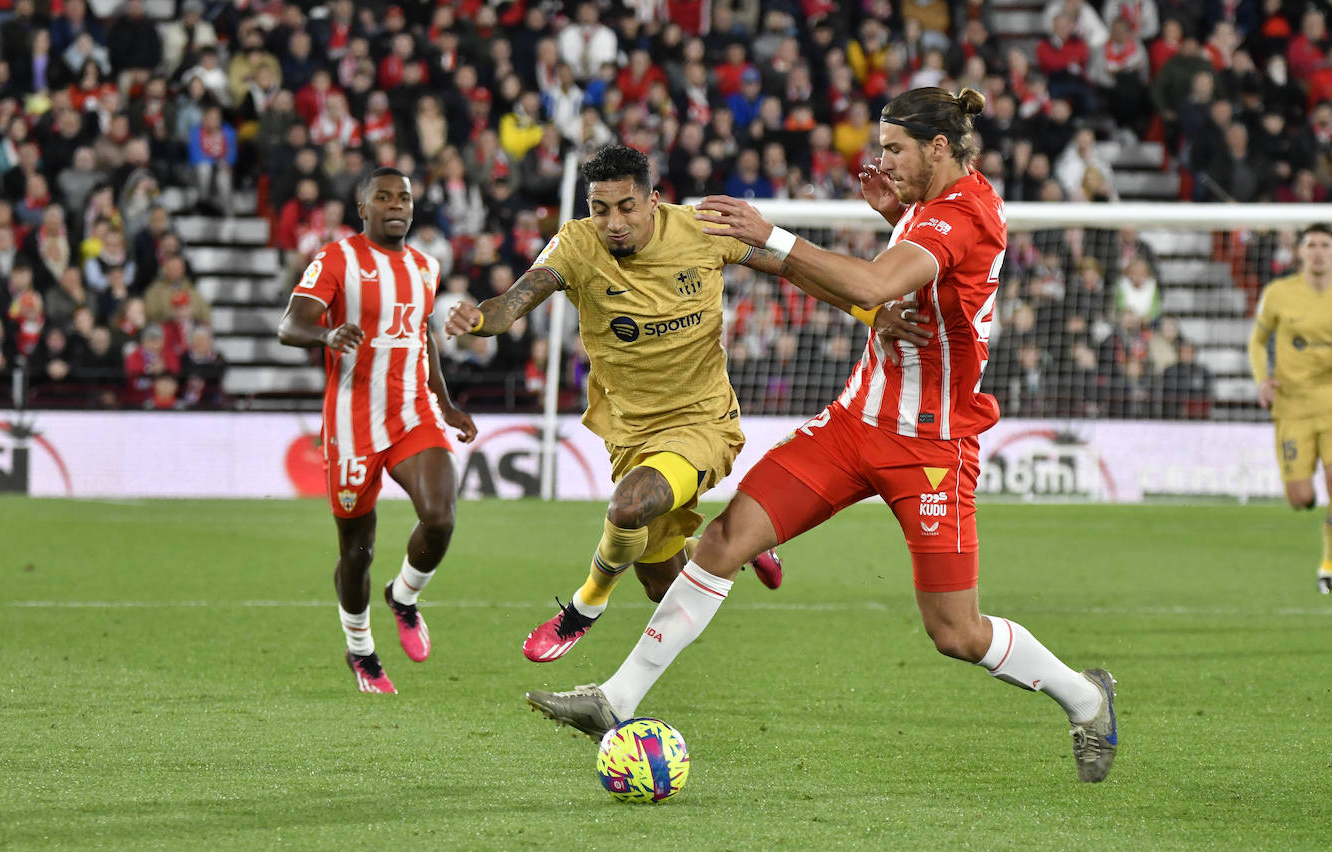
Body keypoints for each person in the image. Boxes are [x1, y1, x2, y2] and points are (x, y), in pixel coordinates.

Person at [524, 91, 1119, 784]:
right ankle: (614, 698)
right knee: (721, 543)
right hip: (852, 424)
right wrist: (895, 215)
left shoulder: (965, 213)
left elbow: (873, 281)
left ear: (938, 148)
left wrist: (769, 234)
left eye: (894, 147)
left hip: (929, 445)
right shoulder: (929, 210)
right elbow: (914, 277)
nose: (882, 159)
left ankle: (1085, 697)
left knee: (956, 632)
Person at [445, 144, 929, 663]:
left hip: (703, 422)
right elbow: (511, 304)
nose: (612, 222)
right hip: (630, 430)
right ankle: (743, 548)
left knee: (629, 505)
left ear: (653, 201)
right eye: (599, 208)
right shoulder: (575, 245)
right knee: (663, 584)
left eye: (626, 207)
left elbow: (792, 269)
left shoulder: (701, 231)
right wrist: (478, 320)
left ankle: (583, 609)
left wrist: (870, 313)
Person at [278, 167, 478, 694]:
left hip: (412, 412)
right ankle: (361, 650)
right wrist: (326, 333)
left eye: (405, 197)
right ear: (362, 208)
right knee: (357, 551)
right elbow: (289, 324)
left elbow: (422, 333)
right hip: (351, 422)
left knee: (440, 518)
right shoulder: (338, 258)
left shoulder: (426, 266)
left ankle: (405, 596)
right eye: (384, 197)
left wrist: (445, 401)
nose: (397, 205)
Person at [1248, 224, 1332, 594]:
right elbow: (1257, 340)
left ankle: (1327, 565)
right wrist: (1261, 380)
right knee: (1300, 498)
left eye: (1325, 245)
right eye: (1311, 245)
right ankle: (1310, 501)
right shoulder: (1279, 293)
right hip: (1292, 408)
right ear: (1299, 252)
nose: (1318, 252)